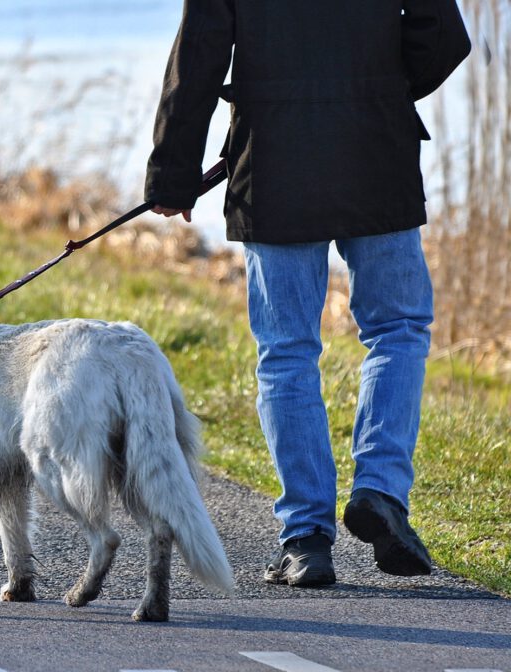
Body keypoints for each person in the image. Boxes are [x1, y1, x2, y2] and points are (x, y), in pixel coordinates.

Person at [145, 0, 471, 586]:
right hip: (378, 150)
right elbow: (443, 37)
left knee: (287, 350)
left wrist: (172, 172)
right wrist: (379, 89)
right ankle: (381, 492)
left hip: (274, 163)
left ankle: (306, 539)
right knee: (398, 330)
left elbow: (198, 55)